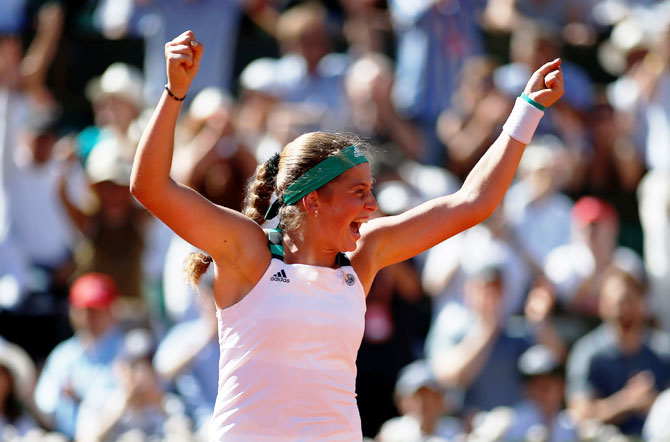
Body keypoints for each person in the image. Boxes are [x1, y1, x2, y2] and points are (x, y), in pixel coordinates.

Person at [130, 29, 563, 440]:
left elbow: (472, 203)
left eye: (371, 191)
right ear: (313, 200)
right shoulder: (248, 250)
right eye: (358, 193)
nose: (372, 206)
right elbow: (149, 187)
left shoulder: (366, 254)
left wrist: (527, 109)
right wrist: (173, 93)